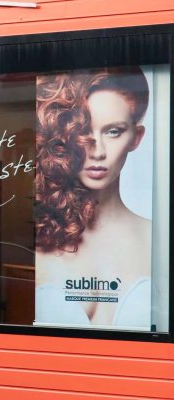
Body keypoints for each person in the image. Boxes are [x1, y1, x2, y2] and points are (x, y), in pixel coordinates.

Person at [35, 66, 152, 329]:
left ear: (136, 137)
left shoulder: (159, 239)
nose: (97, 151)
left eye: (113, 131)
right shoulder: (39, 237)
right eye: (83, 132)